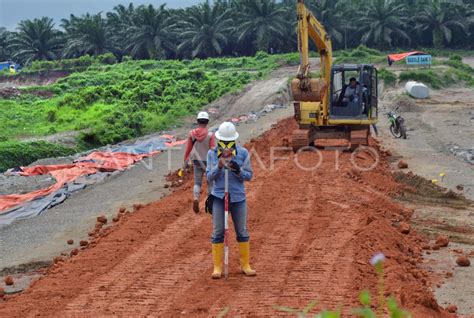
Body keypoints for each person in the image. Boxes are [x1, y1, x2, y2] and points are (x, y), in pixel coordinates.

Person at [206, 122, 256, 279]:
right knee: (218, 231)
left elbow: (249, 175)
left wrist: (238, 170)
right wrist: (218, 167)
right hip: (219, 197)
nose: (226, 146)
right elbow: (208, 177)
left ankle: (245, 265)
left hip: (238, 197)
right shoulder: (212, 154)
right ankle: (217, 267)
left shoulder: (242, 153)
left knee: (242, 230)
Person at [183, 111, 215, 213]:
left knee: (197, 183)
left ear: (197, 121)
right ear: (207, 122)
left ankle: (196, 198)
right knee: (210, 182)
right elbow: (213, 149)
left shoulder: (191, 134)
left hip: (196, 160)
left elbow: (188, 148)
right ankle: (210, 204)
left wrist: (185, 160)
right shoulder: (210, 135)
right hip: (208, 161)